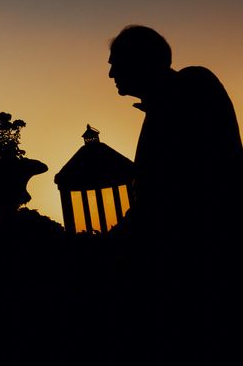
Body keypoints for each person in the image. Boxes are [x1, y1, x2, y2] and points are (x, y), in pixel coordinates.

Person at [107, 24, 243, 362]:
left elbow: (173, 188)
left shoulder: (192, 86)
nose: (110, 72)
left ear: (143, 59)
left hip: (200, 266)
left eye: (116, 62)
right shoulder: (168, 101)